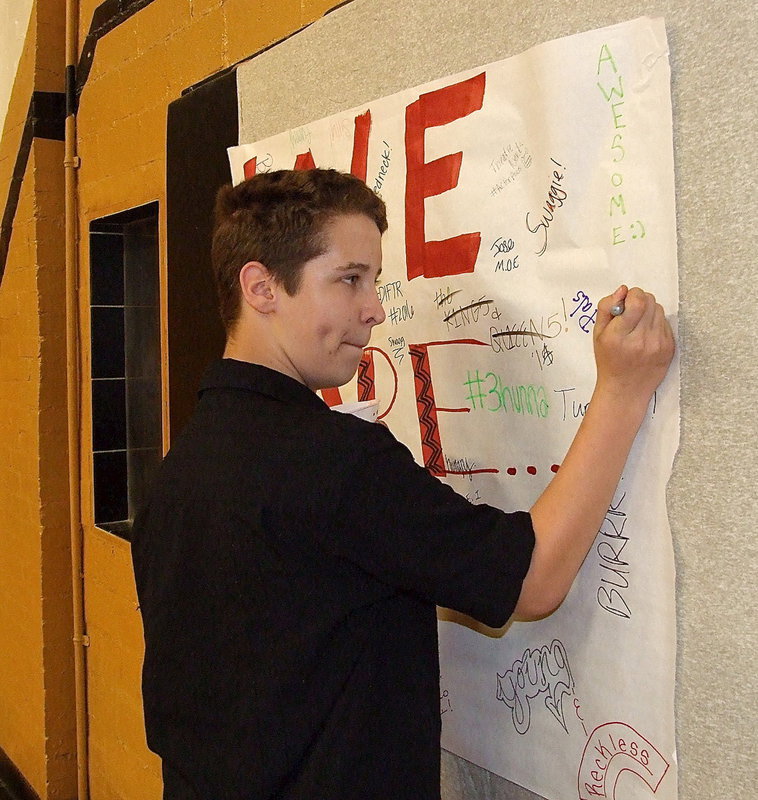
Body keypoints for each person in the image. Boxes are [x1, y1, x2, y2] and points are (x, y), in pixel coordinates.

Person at [130, 168, 675, 800]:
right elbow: (533, 579)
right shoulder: (329, 460)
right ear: (261, 287)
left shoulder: (184, 466)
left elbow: (297, 617)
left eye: (375, 281)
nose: (375, 309)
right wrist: (622, 390)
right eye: (349, 279)